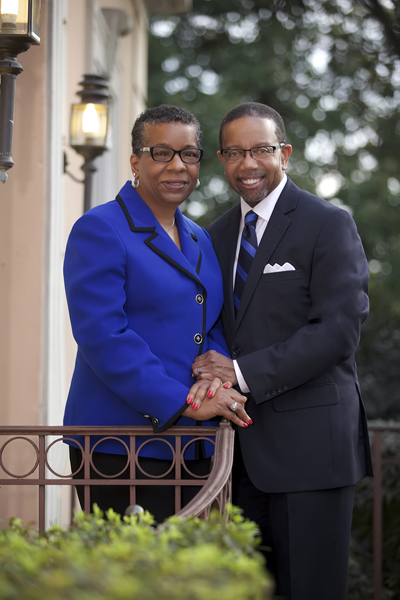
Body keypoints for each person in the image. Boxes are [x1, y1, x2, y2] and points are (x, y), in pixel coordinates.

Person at [192, 102, 373, 600]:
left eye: (261, 150)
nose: (247, 164)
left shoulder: (328, 224)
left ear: (285, 154)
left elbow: (337, 332)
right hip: (234, 459)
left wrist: (239, 371)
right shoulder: (214, 236)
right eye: (234, 152)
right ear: (222, 160)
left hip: (312, 452)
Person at [63, 104, 251, 522]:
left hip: (197, 445)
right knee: (130, 563)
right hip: (122, 444)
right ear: (136, 161)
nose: (177, 166)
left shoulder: (200, 238)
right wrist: (182, 401)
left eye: (189, 154)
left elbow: (212, 321)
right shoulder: (100, 228)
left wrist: (214, 379)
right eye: (162, 153)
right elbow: (103, 335)